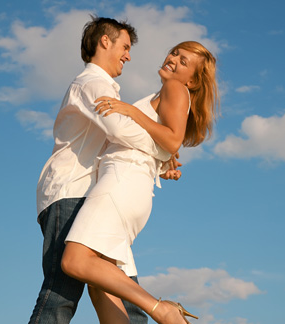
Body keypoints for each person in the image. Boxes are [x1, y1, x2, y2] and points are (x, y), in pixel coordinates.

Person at [29, 16, 176, 324]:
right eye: (124, 46)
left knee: (129, 302)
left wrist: (159, 162)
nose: (128, 55)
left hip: (98, 199)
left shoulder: (106, 88)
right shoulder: (92, 83)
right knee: (61, 293)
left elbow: (115, 144)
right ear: (105, 42)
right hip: (71, 192)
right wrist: (164, 149)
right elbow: (121, 131)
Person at [61, 41, 219, 324]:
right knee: (101, 286)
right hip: (130, 187)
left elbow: (172, 139)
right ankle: (161, 310)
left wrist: (131, 111)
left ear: (193, 80)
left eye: (184, 62)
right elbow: (161, 144)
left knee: (75, 261)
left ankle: (163, 310)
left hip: (120, 185)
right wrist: (161, 164)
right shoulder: (168, 92)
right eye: (174, 53)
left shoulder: (175, 89)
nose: (173, 59)